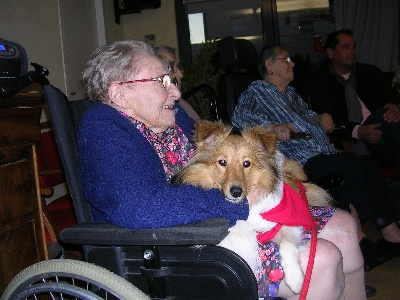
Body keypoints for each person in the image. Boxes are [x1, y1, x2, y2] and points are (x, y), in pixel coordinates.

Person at [79, 40, 365, 299]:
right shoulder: (105, 128)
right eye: (162, 82)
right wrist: (238, 201)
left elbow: (226, 150)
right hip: (169, 247)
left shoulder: (171, 117)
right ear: (119, 94)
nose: (177, 92)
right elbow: (136, 207)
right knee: (323, 259)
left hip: (219, 220)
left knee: (344, 228)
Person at [231, 44, 400, 273]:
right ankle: (360, 240)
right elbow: (240, 121)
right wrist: (272, 128)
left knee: (366, 165)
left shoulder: (291, 94)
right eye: (286, 59)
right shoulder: (256, 90)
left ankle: (392, 235)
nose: (293, 63)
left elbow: (308, 115)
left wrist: (322, 117)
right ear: (269, 65)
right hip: (301, 158)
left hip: (325, 151)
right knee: (346, 172)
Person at [309, 29, 400, 171]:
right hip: (357, 140)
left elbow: (391, 95)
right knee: (382, 119)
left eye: (354, 47)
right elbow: (327, 121)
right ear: (330, 53)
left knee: (389, 135)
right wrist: (359, 131)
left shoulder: (369, 72)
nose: (352, 51)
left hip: (384, 134)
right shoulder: (321, 85)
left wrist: (394, 106)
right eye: (346, 47)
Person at [155, 45, 201, 122]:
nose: (180, 74)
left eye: (178, 66)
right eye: (172, 67)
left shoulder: (180, 104)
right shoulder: (155, 112)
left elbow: (198, 127)